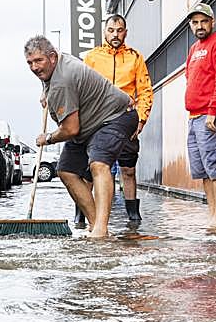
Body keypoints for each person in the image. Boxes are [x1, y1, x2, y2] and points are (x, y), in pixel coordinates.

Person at [26, 35, 136, 239]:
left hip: (115, 116)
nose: (34, 67)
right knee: (66, 170)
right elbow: (49, 78)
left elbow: (70, 130)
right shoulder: (55, 66)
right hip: (89, 123)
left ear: (52, 57)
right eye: (30, 63)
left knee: (99, 164)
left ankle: (100, 230)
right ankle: (96, 225)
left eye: (38, 60)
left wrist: (47, 138)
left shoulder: (62, 81)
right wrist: (45, 91)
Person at [83, 14, 153, 227]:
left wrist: (141, 119)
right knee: (91, 169)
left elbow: (145, 90)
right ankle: (82, 213)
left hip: (126, 119)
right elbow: (80, 86)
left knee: (128, 169)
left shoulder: (135, 57)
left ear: (125, 32)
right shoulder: (92, 57)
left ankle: (133, 214)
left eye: (119, 30)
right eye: (111, 30)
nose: (115, 34)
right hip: (97, 119)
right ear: (104, 32)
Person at [183, 2, 216, 230]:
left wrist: (212, 111)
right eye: (195, 22)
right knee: (203, 170)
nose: (199, 26)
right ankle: (213, 215)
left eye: (204, 21)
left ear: (212, 22)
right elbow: (190, 78)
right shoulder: (194, 49)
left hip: (212, 115)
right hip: (195, 116)